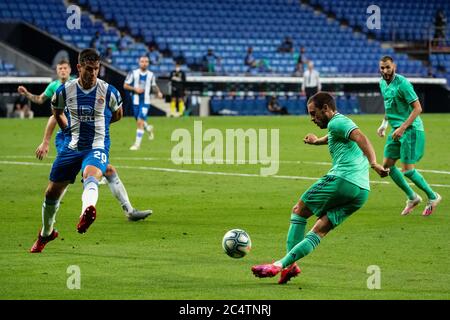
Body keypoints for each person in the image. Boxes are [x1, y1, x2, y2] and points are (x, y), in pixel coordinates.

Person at [251, 92, 389, 284]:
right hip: (361, 191)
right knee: (318, 231)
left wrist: (374, 163)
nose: (312, 118)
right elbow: (335, 135)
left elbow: (361, 137)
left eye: (314, 113)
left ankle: (283, 266)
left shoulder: (337, 122)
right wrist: (317, 141)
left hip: (342, 180)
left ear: (326, 109)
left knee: (299, 211)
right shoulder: (336, 125)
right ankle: (284, 265)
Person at [18, 60, 152, 223]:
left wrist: (95, 127)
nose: (62, 71)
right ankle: (55, 209)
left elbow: (112, 114)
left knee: (108, 170)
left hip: (89, 138)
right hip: (68, 137)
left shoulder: (86, 83)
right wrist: (46, 141)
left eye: (65, 68)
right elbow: (49, 110)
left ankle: (128, 210)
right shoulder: (55, 87)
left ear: (72, 70)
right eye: (59, 68)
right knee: (66, 178)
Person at [30, 49, 122, 253]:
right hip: (72, 146)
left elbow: (118, 114)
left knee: (91, 175)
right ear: (79, 68)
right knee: (52, 192)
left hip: (97, 145)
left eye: (96, 69)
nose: (93, 74)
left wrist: (101, 127)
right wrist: (67, 129)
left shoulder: (109, 91)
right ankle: (46, 233)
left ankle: (86, 212)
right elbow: (56, 111)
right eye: (89, 69)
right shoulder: (65, 90)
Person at [377, 56, 442, 216]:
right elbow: (389, 105)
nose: (385, 71)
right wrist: (384, 124)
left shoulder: (403, 84)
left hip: (411, 129)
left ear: (394, 67)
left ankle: (433, 197)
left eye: (388, 67)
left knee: (407, 170)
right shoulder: (382, 83)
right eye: (382, 68)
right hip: (396, 129)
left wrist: (403, 128)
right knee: (386, 167)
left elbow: (418, 108)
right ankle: (412, 197)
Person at [124, 55, 164, 150]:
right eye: (142, 61)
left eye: (146, 61)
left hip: (146, 101)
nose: (144, 63)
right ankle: (149, 129)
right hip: (135, 101)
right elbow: (125, 85)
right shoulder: (133, 73)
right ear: (139, 62)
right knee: (139, 120)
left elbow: (154, 85)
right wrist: (135, 89)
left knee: (140, 122)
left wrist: (158, 92)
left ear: (148, 63)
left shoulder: (151, 75)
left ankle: (137, 145)